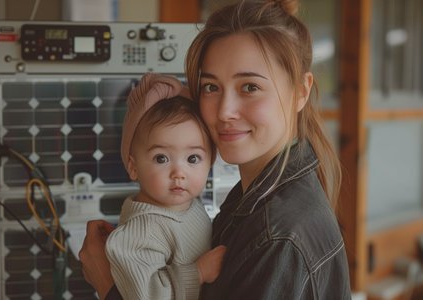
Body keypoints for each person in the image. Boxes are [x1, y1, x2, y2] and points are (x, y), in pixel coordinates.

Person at [80, 0, 352, 299]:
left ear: (301, 92)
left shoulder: (278, 238)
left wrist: (109, 287)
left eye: (249, 87)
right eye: (211, 87)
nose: (224, 111)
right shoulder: (261, 198)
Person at [84, 73, 226, 300]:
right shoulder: (142, 231)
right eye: (161, 158)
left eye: (193, 159)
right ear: (133, 167)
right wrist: (198, 272)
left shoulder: (187, 205)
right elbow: (146, 295)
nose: (179, 173)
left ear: (210, 161)